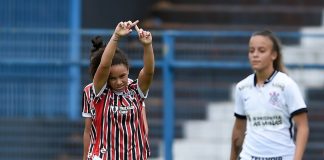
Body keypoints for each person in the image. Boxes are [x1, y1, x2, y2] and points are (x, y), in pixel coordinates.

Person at [230, 30, 309, 160]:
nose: (255, 55)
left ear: (274, 55)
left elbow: (303, 127)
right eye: (251, 51)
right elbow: (238, 131)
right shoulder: (242, 87)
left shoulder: (287, 85)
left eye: (261, 50)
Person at [82, 20, 154, 160]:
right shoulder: (99, 93)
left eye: (122, 76)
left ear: (128, 70)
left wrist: (147, 45)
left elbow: (149, 72)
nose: (119, 82)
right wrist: (116, 36)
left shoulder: (135, 91)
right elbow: (88, 130)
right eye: (112, 78)